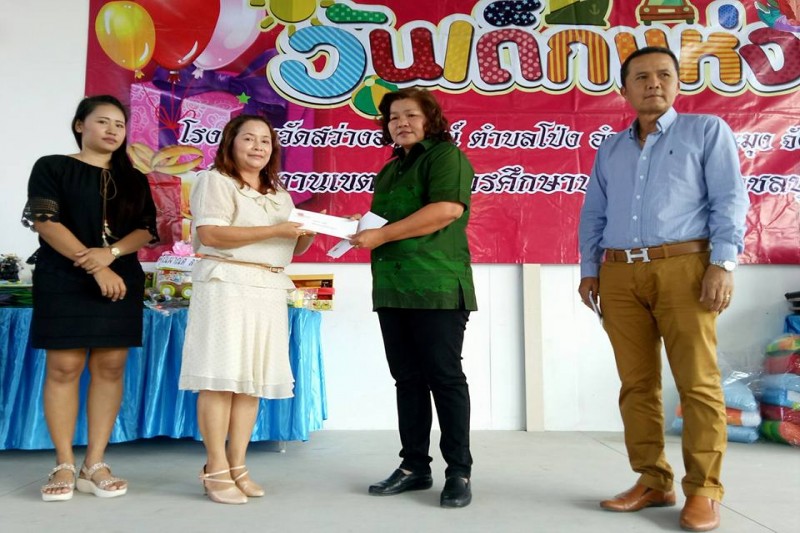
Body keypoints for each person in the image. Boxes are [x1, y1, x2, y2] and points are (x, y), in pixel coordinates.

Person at [578, 47, 749, 532]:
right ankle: (653, 480)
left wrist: (722, 264)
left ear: (677, 83)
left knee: (697, 383)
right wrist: (590, 270)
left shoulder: (706, 131)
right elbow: (594, 212)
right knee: (636, 384)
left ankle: (704, 490)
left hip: (686, 268)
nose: (653, 83)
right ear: (624, 89)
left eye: (664, 75)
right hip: (619, 274)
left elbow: (729, 199)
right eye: (641, 77)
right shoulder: (611, 149)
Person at [22, 95, 158, 501]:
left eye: (120, 124)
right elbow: (45, 222)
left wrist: (111, 255)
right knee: (64, 367)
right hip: (64, 277)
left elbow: (146, 230)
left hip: (121, 279)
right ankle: (64, 462)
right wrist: (96, 266)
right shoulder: (52, 166)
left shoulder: (135, 179)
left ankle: (94, 463)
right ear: (80, 125)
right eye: (103, 121)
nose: (113, 130)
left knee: (111, 367)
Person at [349, 88, 477, 508]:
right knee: (407, 379)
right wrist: (358, 228)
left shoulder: (444, 156)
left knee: (445, 377)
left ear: (430, 119)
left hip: (436, 285)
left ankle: (458, 471)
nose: (401, 123)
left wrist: (381, 234)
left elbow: (446, 210)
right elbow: (384, 223)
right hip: (392, 287)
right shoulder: (390, 169)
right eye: (393, 118)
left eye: (411, 115)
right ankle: (414, 466)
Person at [178, 114, 314, 505]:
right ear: (231, 143)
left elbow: (292, 246)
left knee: (251, 380)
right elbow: (211, 233)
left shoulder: (279, 193)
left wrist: (309, 232)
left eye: (265, 141)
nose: (258, 147)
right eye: (249, 139)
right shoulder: (215, 180)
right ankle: (215, 466)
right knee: (220, 377)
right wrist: (275, 230)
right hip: (226, 283)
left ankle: (238, 465)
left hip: (268, 286)